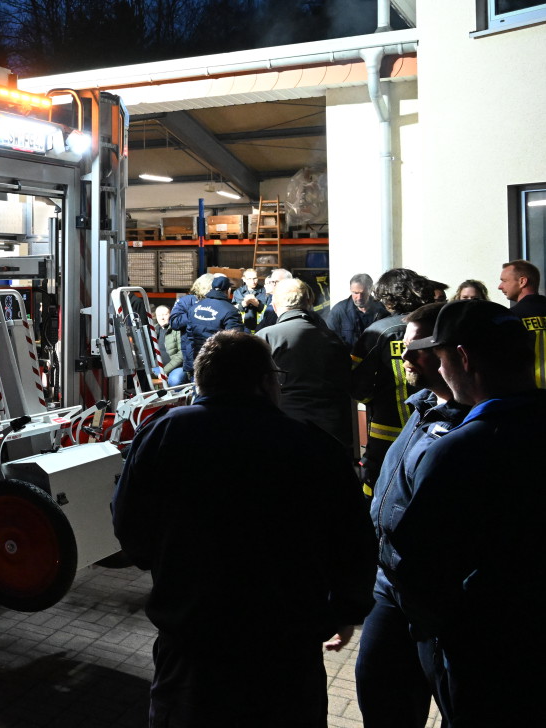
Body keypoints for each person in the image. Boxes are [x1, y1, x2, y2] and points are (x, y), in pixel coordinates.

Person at [112, 330, 375, 728]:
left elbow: (128, 524)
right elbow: (353, 541)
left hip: (192, 648)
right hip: (285, 653)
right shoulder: (313, 447)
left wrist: (167, 566)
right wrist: (346, 609)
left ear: (202, 381)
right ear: (265, 382)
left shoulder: (162, 433)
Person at [387, 300, 546, 726]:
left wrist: (440, 632)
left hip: (487, 654)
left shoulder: (460, 451)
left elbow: (420, 567)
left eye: (440, 359)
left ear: (462, 357)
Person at [354, 301, 460, 728]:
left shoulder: (472, 425)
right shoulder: (422, 408)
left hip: (437, 597)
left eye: (415, 346)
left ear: (449, 352)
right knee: (379, 690)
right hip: (389, 584)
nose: (404, 355)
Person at [351, 267, 430, 495]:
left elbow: (357, 385)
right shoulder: (437, 326)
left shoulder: (377, 332)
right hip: (434, 426)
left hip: (387, 428)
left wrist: (375, 401)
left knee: (378, 485)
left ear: (388, 297)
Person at [257, 278, 355, 455]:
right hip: (332, 429)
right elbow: (346, 381)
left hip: (285, 427)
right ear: (309, 303)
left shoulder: (265, 337)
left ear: (275, 305)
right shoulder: (331, 337)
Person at [499, 259, 546, 386]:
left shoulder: (510, 318)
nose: (500, 286)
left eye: (504, 281)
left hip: (529, 391)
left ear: (522, 282)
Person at [184, 273, 243, 365]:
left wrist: (189, 365)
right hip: (218, 362)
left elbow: (189, 338)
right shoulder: (230, 310)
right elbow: (234, 341)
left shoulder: (194, 307)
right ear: (228, 290)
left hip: (197, 360)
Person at [327, 272, 384, 348]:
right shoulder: (339, 311)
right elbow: (330, 339)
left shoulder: (382, 310)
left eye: (363, 293)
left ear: (371, 290)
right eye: (355, 293)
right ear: (350, 290)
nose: (359, 297)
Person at [154, 304, 185, 386]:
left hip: (177, 367)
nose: (162, 318)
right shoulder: (153, 330)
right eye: (159, 315)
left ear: (171, 315)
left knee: (175, 380)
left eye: (165, 314)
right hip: (157, 367)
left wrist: (165, 371)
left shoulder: (177, 329)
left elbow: (182, 354)